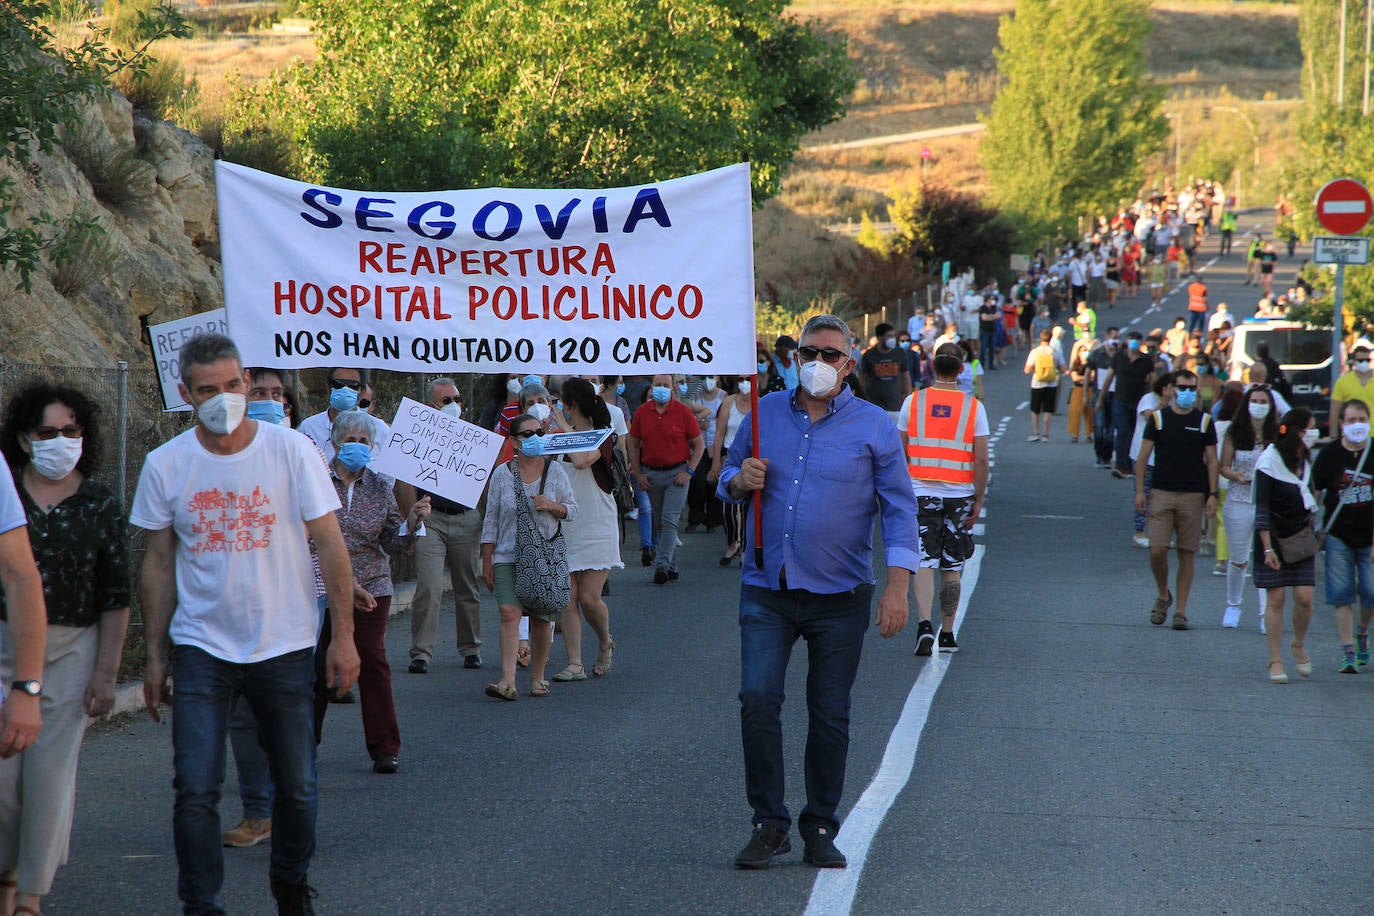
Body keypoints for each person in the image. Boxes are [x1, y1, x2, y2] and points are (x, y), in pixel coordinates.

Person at [131, 332, 360, 914]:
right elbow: (157, 564)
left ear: (245, 381)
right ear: (185, 394)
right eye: (208, 390)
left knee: (298, 785)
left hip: (284, 644)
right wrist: (154, 656)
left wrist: (344, 639)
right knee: (195, 791)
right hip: (202, 648)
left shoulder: (290, 451)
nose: (224, 398)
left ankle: (289, 885)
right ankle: (200, 903)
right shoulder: (166, 464)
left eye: (234, 385)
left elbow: (330, 545)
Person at [718, 314, 918, 871]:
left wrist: (898, 586)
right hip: (767, 589)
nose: (819, 364)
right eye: (810, 352)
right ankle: (769, 823)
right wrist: (738, 481)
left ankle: (820, 824)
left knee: (829, 712)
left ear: (849, 364)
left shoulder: (875, 426)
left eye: (831, 355)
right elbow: (726, 475)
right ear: (795, 357)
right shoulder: (762, 416)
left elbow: (900, 509)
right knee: (758, 702)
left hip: (841, 596)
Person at [0, 384, 121, 916]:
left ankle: (30, 897)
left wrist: (107, 674)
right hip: (5, 645)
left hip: (74, 649)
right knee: (4, 783)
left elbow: (116, 595)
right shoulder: (8, 493)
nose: (60, 442)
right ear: (25, 439)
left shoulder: (101, 502)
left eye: (71, 431)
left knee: (49, 777)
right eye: (47, 432)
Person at [314, 411, 428, 775]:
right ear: (334, 442)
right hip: (318, 585)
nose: (358, 447)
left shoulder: (380, 486)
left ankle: (384, 747)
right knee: (316, 666)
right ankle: (301, 744)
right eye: (351, 440)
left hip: (373, 586)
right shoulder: (315, 480)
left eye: (365, 442)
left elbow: (392, 545)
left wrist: (412, 523)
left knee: (373, 662)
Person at [479, 414, 577, 700]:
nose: (535, 437)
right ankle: (507, 680)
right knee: (509, 613)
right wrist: (487, 559)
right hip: (507, 556)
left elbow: (572, 511)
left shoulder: (555, 471)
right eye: (527, 433)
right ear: (515, 441)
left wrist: (553, 507)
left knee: (540, 618)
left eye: (539, 431)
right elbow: (491, 520)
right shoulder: (501, 474)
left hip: (544, 556)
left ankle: (537, 677)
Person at [900, 342, 988, 656]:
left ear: (932, 367)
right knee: (951, 565)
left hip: (920, 492)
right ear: (961, 370)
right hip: (959, 493)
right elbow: (980, 460)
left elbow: (900, 451)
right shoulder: (974, 407)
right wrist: (978, 499)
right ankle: (947, 633)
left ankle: (924, 624)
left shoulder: (913, 402)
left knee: (923, 561)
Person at [406, 377, 485, 674]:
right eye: (446, 401)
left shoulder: (475, 437)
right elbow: (404, 482)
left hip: (466, 519)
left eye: (457, 399)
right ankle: (421, 653)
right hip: (431, 520)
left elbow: (485, 480)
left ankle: (471, 647)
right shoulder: (416, 439)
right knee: (428, 587)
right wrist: (411, 524)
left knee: (467, 586)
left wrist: (483, 517)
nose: (455, 405)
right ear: (430, 406)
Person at [547, 378, 620, 682]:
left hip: (597, 525)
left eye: (560, 401)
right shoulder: (559, 434)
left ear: (570, 404)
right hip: (565, 522)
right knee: (568, 597)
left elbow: (579, 461)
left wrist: (562, 425)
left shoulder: (602, 436)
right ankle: (574, 663)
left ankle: (605, 641)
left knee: (590, 598)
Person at [1136, 369, 1219, 631]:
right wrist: (1140, 491)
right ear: (1172, 388)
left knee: (1187, 553)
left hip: (1193, 495)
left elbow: (1212, 460)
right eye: (1182, 387)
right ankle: (1163, 594)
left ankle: (1181, 611)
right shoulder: (1159, 419)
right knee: (1157, 550)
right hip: (1162, 492)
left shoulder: (1205, 421)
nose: (1187, 393)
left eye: (1192, 388)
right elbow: (1142, 457)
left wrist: (1212, 494)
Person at [1253, 409, 1320, 683]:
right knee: (1276, 597)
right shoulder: (1268, 461)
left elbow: (1313, 492)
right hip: (1272, 537)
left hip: (1301, 537)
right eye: (1310, 428)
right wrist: (1267, 548)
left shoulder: (1304, 459)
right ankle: (1275, 659)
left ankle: (1298, 643)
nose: (1315, 434)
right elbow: (1262, 507)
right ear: (1298, 431)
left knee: (1304, 598)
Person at [1312, 399, 1374, 673]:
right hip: (1338, 534)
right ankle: (1348, 650)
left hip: (1370, 535)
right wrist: (1310, 519)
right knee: (1342, 594)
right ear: (1341, 424)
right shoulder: (1329, 454)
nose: (1356, 425)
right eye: (1350, 420)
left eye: (1361, 419)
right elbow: (1315, 489)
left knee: (1371, 593)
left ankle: (1362, 632)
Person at [627, 374, 704, 585]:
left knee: (670, 521)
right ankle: (673, 567)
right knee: (661, 523)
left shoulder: (682, 411)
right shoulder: (643, 412)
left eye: (666, 385)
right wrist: (637, 472)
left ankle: (661, 565)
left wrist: (689, 471)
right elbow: (633, 443)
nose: (661, 388)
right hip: (651, 474)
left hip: (676, 474)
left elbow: (699, 444)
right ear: (651, 387)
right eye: (658, 385)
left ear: (673, 388)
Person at [1218, 384, 1277, 629]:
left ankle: (1266, 614)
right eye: (1255, 400)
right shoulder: (1235, 431)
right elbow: (1223, 466)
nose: (1259, 405)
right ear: (1247, 402)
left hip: (1268, 502)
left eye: (1264, 401)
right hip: (1240, 498)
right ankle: (1233, 605)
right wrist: (1237, 476)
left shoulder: (1277, 432)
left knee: (1267, 556)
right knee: (1239, 558)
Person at [297, 367, 389, 463]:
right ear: (328, 388)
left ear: (362, 391)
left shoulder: (380, 430)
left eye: (353, 385)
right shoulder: (308, 428)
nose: (345, 389)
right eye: (338, 384)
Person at [1099, 331, 1156, 479]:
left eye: (1137, 340)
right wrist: (1101, 398)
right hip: (1120, 400)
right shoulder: (1119, 357)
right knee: (1122, 431)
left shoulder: (1146, 360)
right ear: (1127, 341)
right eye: (1132, 339)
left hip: (1138, 402)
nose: (1134, 342)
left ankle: (1131, 466)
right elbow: (1109, 377)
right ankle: (1121, 465)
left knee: (1133, 433)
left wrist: (1155, 398)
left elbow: (1152, 381)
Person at [708, 376, 751, 566]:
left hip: (750, 457)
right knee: (729, 507)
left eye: (748, 379)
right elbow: (719, 433)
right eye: (741, 379)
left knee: (747, 507)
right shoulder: (728, 402)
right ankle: (733, 541)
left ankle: (744, 548)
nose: (745, 382)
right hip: (729, 456)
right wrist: (715, 462)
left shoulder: (760, 404)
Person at [685, 375, 726, 532]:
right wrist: (699, 422)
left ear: (717, 378)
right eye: (705, 377)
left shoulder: (723, 396)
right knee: (697, 483)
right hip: (698, 446)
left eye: (711, 376)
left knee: (714, 482)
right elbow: (687, 416)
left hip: (716, 444)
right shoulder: (695, 394)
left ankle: (713, 521)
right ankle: (695, 518)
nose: (708, 380)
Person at [1024, 329, 1067, 442]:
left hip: (1037, 383)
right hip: (1051, 383)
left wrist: (1036, 368)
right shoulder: (1055, 352)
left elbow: (1027, 369)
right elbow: (1063, 369)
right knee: (1048, 409)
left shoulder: (1035, 352)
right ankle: (1045, 434)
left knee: (1035, 409)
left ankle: (1035, 432)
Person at [860, 324, 912, 409]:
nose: (892, 339)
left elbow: (906, 376)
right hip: (874, 404)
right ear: (880, 338)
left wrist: (908, 399)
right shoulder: (868, 355)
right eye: (889, 336)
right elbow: (863, 378)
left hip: (895, 404)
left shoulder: (900, 353)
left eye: (893, 336)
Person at [1330, 345, 1374, 439]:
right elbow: (1335, 410)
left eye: (1367, 360)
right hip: (1351, 434)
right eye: (1361, 360)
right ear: (1354, 361)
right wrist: (1333, 435)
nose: (1364, 363)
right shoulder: (1343, 382)